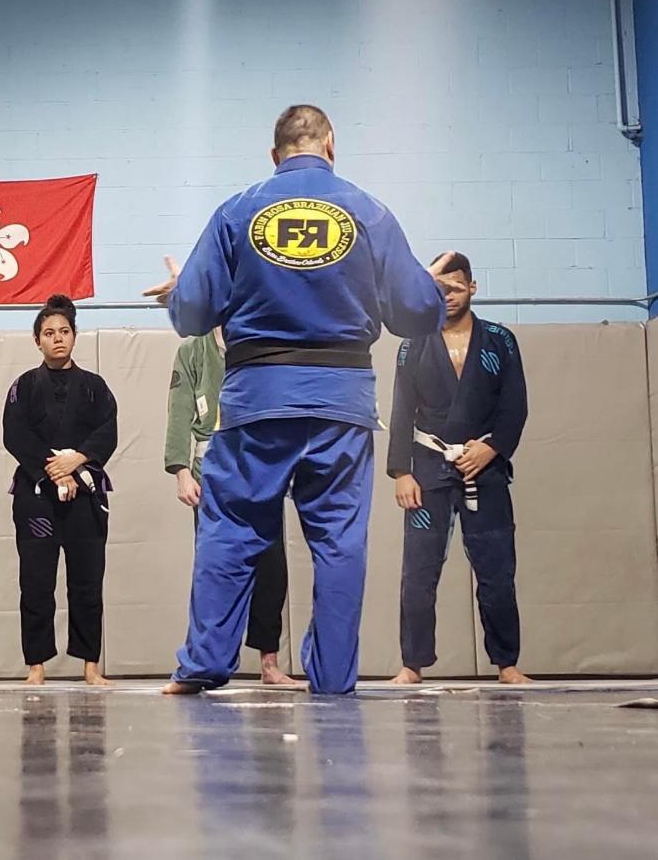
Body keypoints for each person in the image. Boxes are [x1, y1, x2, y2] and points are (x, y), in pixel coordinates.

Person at [144, 104, 455, 695]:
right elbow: (416, 314)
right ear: (331, 146)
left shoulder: (237, 211)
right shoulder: (369, 211)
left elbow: (192, 315)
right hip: (341, 403)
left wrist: (180, 291)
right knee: (339, 543)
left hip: (257, 399)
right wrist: (431, 291)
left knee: (230, 532)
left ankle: (204, 663)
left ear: (274, 154)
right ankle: (333, 677)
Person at [387, 252, 530, 685]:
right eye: (439, 289)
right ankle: (412, 664)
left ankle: (507, 663)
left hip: (484, 470)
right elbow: (402, 411)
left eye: (455, 287)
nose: (447, 295)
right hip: (428, 471)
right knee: (418, 572)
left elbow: (514, 406)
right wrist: (401, 472)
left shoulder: (500, 341)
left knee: (497, 571)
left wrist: (493, 449)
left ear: (472, 287)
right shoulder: (413, 343)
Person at [164, 326, 299, 685]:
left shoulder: (262, 342)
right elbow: (179, 411)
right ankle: (206, 660)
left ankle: (269, 662)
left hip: (261, 471)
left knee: (272, 568)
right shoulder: (193, 352)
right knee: (214, 571)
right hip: (211, 474)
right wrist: (180, 471)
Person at [3, 295, 117, 686]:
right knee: (36, 581)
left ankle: (90, 665)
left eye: (64, 331)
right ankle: (36, 665)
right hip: (36, 498)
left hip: (85, 496)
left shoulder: (95, 387)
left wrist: (78, 460)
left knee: (87, 581)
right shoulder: (23, 386)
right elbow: (15, 435)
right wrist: (54, 470)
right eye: (49, 333)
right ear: (37, 341)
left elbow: (108, 431)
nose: (57, 338)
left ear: (74, 336)